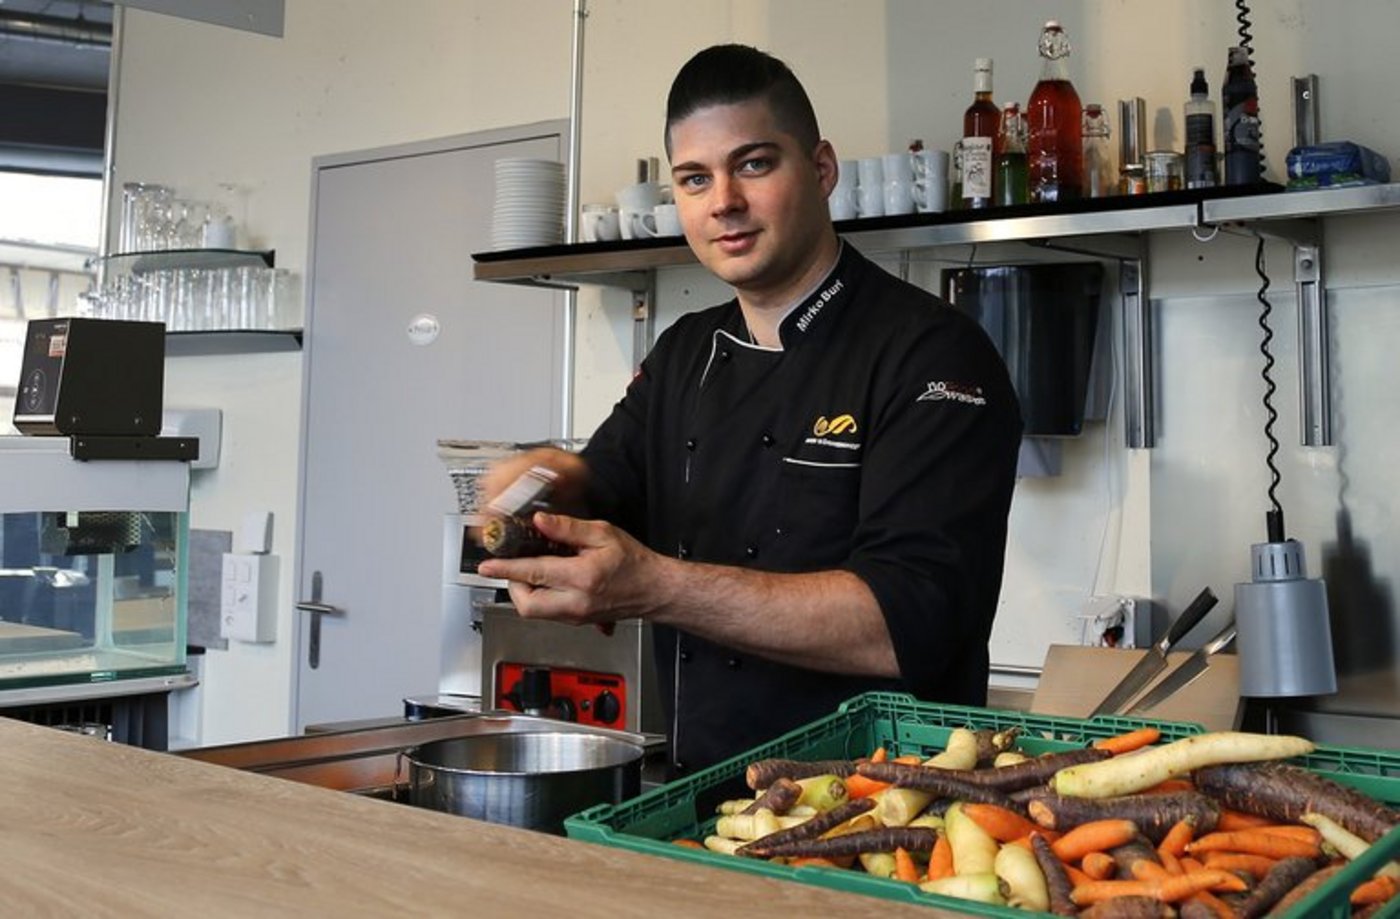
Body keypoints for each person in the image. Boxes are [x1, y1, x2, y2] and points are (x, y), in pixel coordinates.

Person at [478, 43, 1022, 775]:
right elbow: (603, 480)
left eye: (754, 164)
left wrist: (658, 584)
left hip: (887, 815)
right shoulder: (684, 352)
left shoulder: (935, 355)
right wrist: (547, 479)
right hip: (707, 800)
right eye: (695, 178)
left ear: (822, 170)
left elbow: (906, 624)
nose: (723, 201)